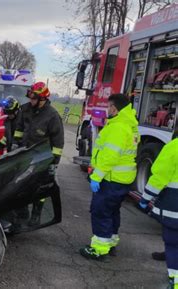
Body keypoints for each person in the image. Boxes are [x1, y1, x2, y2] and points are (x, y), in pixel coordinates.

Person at [79, 93, 139, 261]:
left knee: (101, 212)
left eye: (109, 106)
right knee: (112, 212)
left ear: (114, 108)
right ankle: (110, 242)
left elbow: (110, 156)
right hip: (121, 179)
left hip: (111, 179)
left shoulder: (117, 127)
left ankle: (99, 250)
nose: (107, 109)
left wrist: (97, 176)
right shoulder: (127, 125)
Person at [14, 81, 65, 226]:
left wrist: (54, 162)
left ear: (42, 99)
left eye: (34, 98)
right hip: (24, 153)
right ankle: (22, 212)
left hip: (43, 157)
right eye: (30, 98)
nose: (31, 101)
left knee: (39, 188)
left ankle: (36, 215)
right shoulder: (25, 110)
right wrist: (15, 145)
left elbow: (58, 142)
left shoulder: (52, 116)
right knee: (21, 184)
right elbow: (19, 129)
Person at [138, 123, 178, 289]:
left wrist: (145, 198)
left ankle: (175, 280)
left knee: (172, 242)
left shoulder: (173, 148)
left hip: (174, 205)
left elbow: (158, 178)